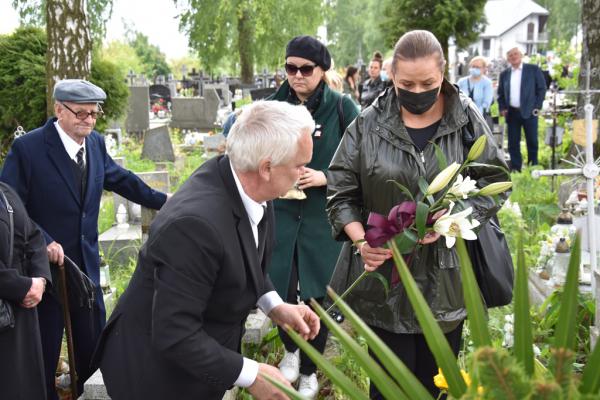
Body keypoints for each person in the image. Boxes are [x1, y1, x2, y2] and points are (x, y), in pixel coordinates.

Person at [92, 100, 320, 400]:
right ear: (266, 167)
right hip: (157, 375)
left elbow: (245, 254)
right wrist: (252, 375)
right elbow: (175, 332)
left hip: (203, 353)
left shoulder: (250, 184)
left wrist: (274, 304)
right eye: (299, 165)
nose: (305, 172)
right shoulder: (195, 227)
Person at [326, 30, 510, 398]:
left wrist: (450, 221)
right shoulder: (367, 124)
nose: (417, 91)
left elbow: (495, 181)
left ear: (443, 75)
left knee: (438, 385)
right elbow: (339, 191)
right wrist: (361, 241)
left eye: (427, 82)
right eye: (406, 83)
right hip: (385, 279)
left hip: (445, 279)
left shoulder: (466, 119)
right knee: (387, 387)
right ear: (392, 76)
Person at [0, 79, 168, 400]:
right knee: (45, 358)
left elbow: (122, 179)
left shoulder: (95, 144)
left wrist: (165, 200)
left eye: (94, 114)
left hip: (87, 274)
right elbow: (10, 204)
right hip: (45, 275)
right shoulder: (29, 149)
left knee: (93, 355)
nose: (89, 120)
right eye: (81, 114)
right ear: (59, 110)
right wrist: (43, 241)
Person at [266, 35, 360, 398]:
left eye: (306, 69)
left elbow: (363, 160)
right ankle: (290, 352)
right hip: (282, 212)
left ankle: (310, 370)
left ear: (323, 70)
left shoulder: (341, 108)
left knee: (318, 293)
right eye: (291, 68)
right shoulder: (273, 106)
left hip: (324, 217)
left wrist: (325, 176)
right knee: (280, 285)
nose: (297, 75)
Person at [0, 182, 52, 400]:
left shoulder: (5, 191)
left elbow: (33, 235)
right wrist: (21, 286)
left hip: (23, 309)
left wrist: (40, 279)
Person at [497, 45, 547, 172]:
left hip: (530, 112)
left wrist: (537, 106)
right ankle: (516, 168)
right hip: (512, 112)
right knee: (513, 143)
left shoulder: (533, 69)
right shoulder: (504, 74)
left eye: (515, 54)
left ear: (521, 55)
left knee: (532, 141)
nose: (513, 57)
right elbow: (501, 93)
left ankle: (533, 166)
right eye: (510, 55)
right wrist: (502, 107)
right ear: (508, 59)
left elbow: (541, 89)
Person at [457, 56, 494, 130]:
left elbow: (486, 103)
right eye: (473, 66)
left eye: (477, 67)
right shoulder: (461, 82)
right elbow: (455, 97)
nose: (474, 69)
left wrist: (474, 115)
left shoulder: (487, 83)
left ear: (484, 68)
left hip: (480, 118)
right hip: (461, 118)